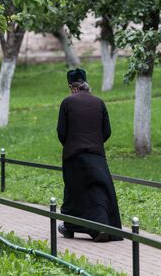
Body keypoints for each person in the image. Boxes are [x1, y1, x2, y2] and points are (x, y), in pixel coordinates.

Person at [56, 68, 123, 242]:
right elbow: (106, 131)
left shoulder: (67, 102)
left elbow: (61, 132)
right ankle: (102, 226)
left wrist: (73, 144)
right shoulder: (99, 102)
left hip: (74, 156)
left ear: (71, 87)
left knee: (74, 192)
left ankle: (71, 226)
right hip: (97, 156)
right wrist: (94, 144)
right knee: (99, 191)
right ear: (86, 84)